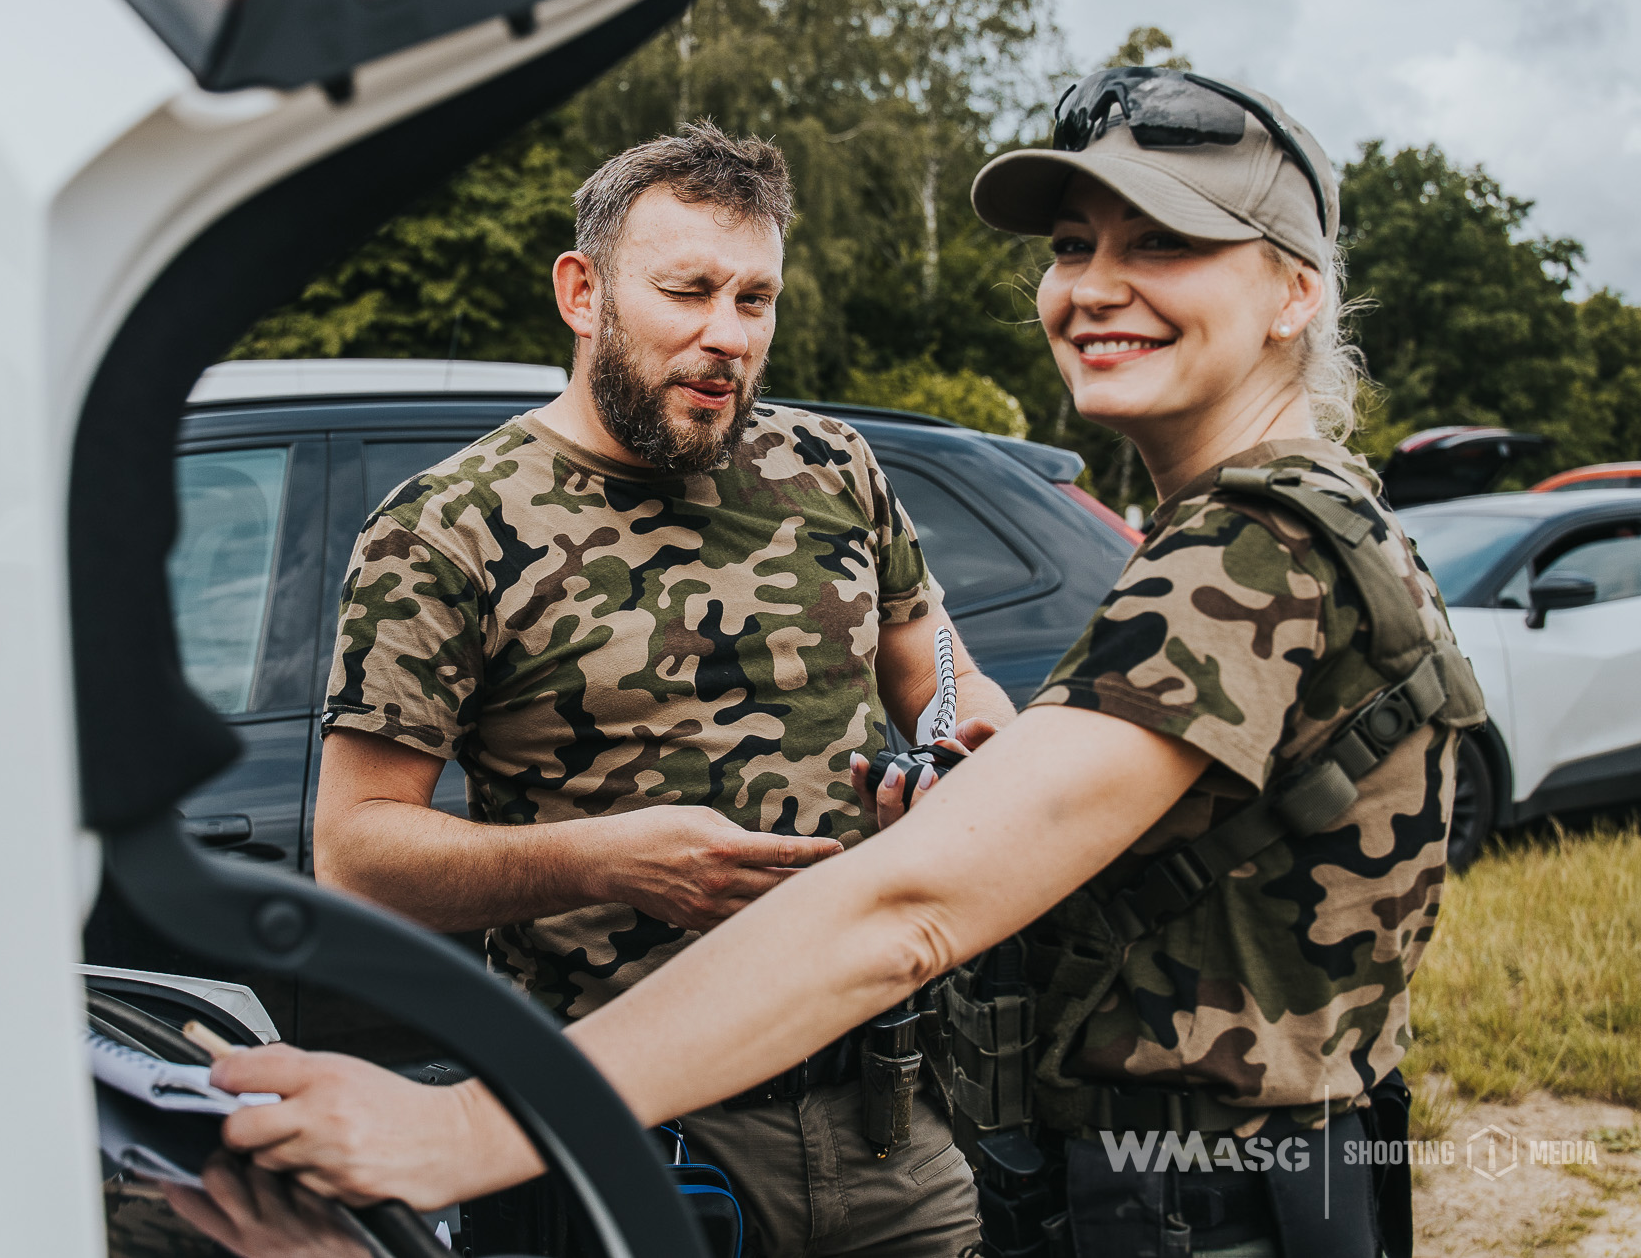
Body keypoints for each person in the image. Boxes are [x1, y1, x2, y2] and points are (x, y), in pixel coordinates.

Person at [187, 72, 1484, 1258]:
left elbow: (906, 905)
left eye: (1163, 243)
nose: (1093, 286)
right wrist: (953, 781)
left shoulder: (1248, 547)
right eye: (1072, 247)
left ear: (1295, 289)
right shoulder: (1277, 524)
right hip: (704, 1130)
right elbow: (356, 848)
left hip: (1113, 1180)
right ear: (582, 293)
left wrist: (472, 1124)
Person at [300, 121, 1013, 1257]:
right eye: (686, 291)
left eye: (753, 298)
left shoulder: (831, 468)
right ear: (582, 293)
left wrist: (967, 757)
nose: (725, 336)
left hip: (885, 1123)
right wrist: (604, 859)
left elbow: (952, 685)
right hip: (620, 1131)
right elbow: (355, 855)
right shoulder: (446, 528)